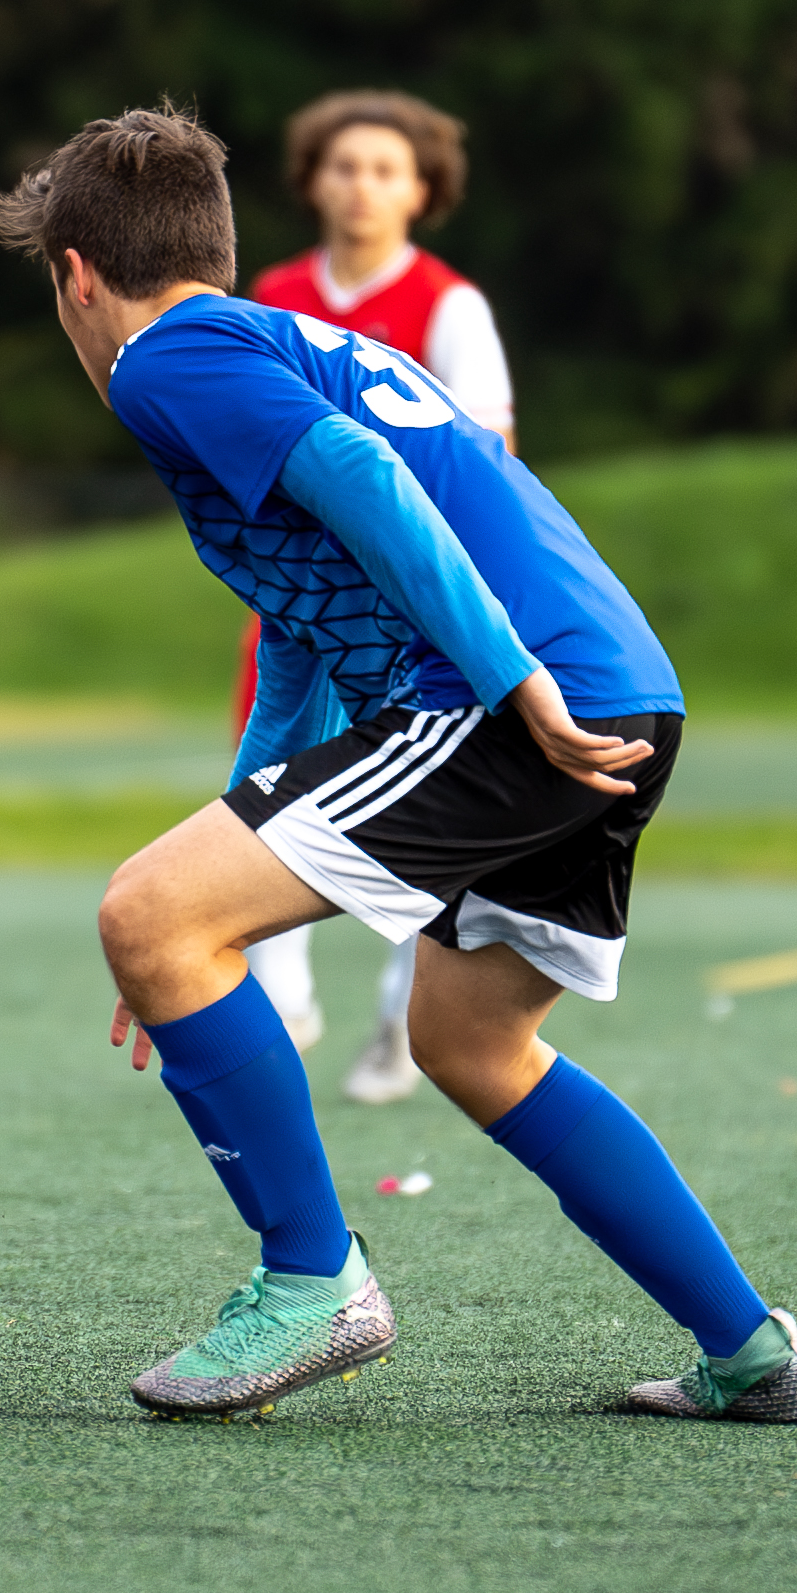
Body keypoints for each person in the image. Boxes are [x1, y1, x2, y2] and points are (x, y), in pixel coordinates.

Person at [0, 105, 797, 1425]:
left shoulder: (165, 358)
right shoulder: (267, 337)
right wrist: (193, 897)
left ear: (75, 273)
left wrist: (510, 683)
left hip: (520, 697)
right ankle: (753, 1353)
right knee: (468, 1039)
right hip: (625, 690)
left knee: (148, 915)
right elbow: (300, 620)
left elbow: (361, 475)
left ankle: (311, 1281)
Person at [242, 90, 517, 1103]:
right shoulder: (269, 292)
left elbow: (479, 465)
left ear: (422, 189)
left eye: (384, 169)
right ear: (312, 180)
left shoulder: (448, 306)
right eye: (343, 165)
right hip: (296, 608)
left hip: (412, 616)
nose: (361, 186)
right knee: (267, 797)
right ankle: (279, 1009)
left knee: (418, 810)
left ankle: (404, 1023)